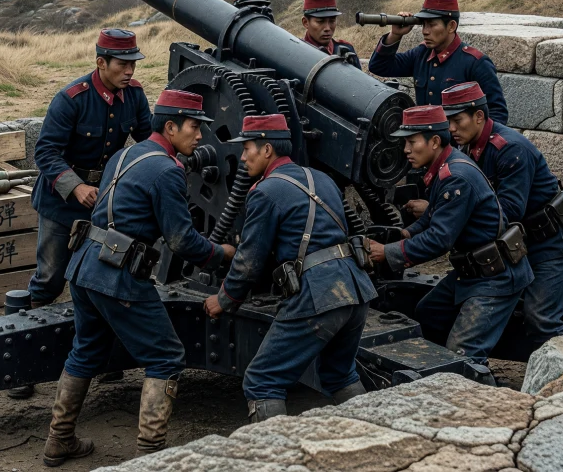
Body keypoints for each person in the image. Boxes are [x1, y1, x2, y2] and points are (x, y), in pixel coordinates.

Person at [43, 89, 235, 466]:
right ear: (170, 126)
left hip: (83, 266)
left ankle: (58, 439)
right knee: (165, 357)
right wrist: (222, 254)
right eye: (195, 127)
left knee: (86, 351)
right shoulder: (168, 170)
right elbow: (182, 241)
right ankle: (150, 455)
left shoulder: (125, 154)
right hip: (119, 275)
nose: (200, 137)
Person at [204, 114, 375, 420]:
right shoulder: (322, 180)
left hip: (319, 295)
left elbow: (248, 261)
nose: (242, 157)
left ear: (267, 150)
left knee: (262, 381)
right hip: (356, 290)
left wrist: (225, 299)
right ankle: (378, 439)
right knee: (340, 375)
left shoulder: (265, 192)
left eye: (248, 148)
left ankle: (278, 458)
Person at [23, 29, 151, 399]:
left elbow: (148, 141)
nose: (129, 71)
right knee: (49, 279)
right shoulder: (71, 99)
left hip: (104, 204)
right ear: (101, 63)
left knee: (99, 279)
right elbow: (46, 153)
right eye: (123, 64)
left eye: (133, 64)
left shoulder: (135, 96)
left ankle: (103, 359)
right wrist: (75, 186)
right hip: (61, 204)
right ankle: (25, 365)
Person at [365, 105, 532, 379]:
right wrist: (406, 234)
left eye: (411, 141)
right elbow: (433, 216)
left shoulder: (456, 176)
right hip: (475, 270)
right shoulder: (446, 166)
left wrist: (389, 252)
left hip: (495, 276)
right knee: (429, 312)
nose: (406, 149)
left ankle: (475, 390)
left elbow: (439, 239)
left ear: (433, 141)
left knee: (464, 351)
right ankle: (435, 373)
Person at [441, 82, 563, 358]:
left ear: (479, 117)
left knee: (542, 319)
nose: (451, 129)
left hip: (551, 241)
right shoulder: (470, 148)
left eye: (457, 120)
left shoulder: (510, 149)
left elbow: (509, 211)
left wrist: (452, 219)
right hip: (518, 244)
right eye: (448, 122)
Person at [366, 0, 507, 122]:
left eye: (432, 25)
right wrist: (395, 35)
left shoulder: (475, 63)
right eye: (423, 25)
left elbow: (497, 113)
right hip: (425, 146)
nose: (425, 31)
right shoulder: (421, 54)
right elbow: (379, 66)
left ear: (451, 26)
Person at [300, 0, 361, 68]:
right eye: (320, 21)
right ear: (305, 22)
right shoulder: (298, 54)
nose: (327, 28)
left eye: (332, 21)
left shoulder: (347, 50)